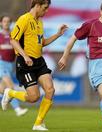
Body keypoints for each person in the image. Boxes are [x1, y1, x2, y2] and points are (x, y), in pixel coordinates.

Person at [1, 0, 68, 131]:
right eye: (45, 8)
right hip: (25, 62)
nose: (46, 11)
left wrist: (58, 35)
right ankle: (10, 93)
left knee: (50, 90)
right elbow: (13, 40)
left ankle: (38, 124)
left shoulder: (39, 22)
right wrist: (25, 56)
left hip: (38, 61)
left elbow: (42, 42)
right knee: (34, 97)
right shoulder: (24, 19)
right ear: (37, 6)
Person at [0, 15, 28, 116]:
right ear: (1, 23)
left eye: (8, 21)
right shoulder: (0, 36)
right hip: (1, 64)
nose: (6, 23)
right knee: (10, 86)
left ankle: (3, 100)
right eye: (4, 21)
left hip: (11, 65)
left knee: (2, 90)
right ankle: (18, 109)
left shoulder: (14, 36)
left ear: (11, 23)